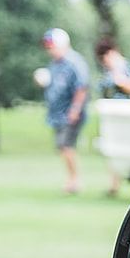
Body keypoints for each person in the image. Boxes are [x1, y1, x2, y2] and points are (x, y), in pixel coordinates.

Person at [41, 28, 90, 195]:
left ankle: (74, 181)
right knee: (62, 147)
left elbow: (81, 88)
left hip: (70, 113)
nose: (50, 50)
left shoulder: (74, 62)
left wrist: (75, 109)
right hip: (57, 113)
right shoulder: (54, 64)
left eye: (52, 46)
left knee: (66, 145)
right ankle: (71, 179)